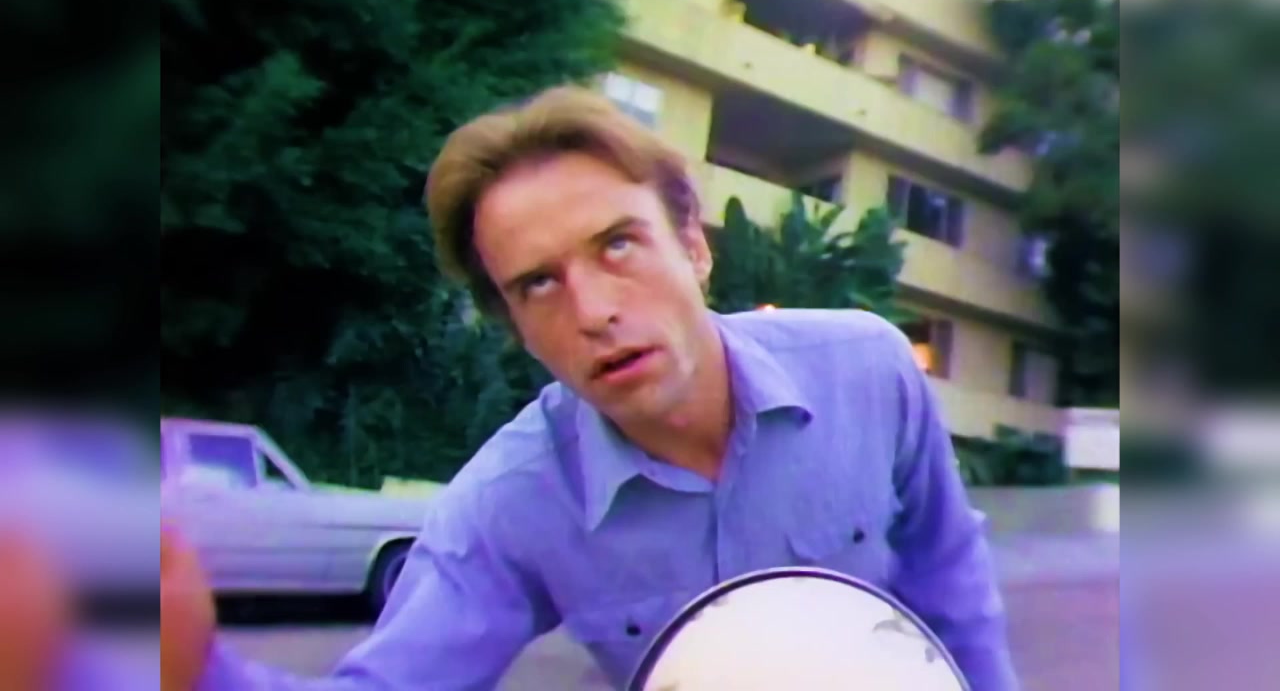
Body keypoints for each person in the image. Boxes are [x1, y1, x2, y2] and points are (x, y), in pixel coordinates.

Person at [7, 84, 1020, 690]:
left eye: (617, 245)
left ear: (693, 244)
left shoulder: (866, 367)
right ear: (514, 324)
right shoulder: (507, 506)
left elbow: (948, 578)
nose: (592, 309)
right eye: (538, 283)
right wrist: (191, 667)